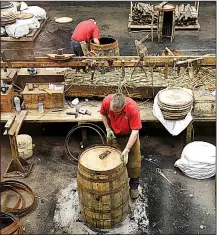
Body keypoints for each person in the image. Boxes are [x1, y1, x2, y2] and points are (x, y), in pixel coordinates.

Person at [100, 93, 142, 200]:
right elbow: (103, 114)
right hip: (113, 134)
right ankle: (114, 185)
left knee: (134, 163)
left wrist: (127, 149)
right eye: (112, 110)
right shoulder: (106, 101)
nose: (114, 113)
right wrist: (108, 129)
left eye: (117, 112)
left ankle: (134, 187)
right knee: (112, 162)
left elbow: (135, 131)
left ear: (123, 107)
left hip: (129, 136)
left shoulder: (132, 108)